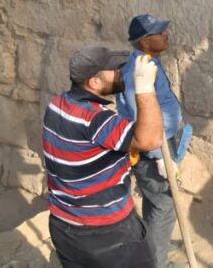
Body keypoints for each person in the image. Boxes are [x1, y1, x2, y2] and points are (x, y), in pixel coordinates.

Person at [42, 47, 162, 267]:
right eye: (114, 70)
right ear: (94, 83)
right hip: (107, 233)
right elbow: (151, 140)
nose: (120, 72)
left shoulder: (57, 105)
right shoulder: (95, 120)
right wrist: (145, 89)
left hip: (64, 225)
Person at [116, 15, 190, 268]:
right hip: (155, 148)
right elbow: (141, 116)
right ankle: (156, 263)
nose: (166, 34)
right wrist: (159, 155)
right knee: (163, 205)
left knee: (156, 202)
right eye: (160, 32)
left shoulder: (149, 63)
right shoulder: (138, 72)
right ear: (145, 41)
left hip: (161, 142)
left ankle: (155, 248)